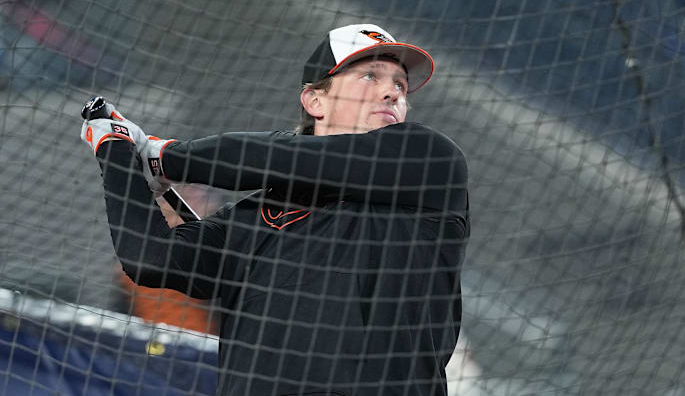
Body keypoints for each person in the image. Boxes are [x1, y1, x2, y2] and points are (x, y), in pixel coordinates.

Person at [82, 24, 470, 395]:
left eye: (400, 85)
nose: (392, 92)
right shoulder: (252, 217)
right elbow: (151, 257)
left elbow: (277, 156)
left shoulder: (428, 159)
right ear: (315, 100)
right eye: (370, 76)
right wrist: (115, 153)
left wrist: (163, 156)